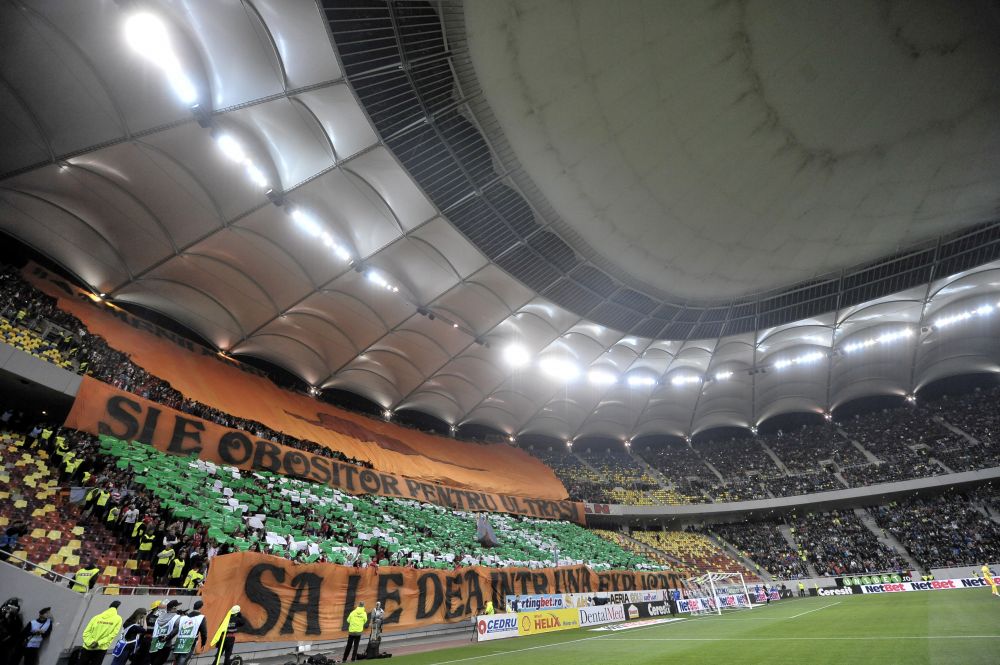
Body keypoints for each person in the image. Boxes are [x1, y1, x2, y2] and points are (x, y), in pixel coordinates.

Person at [80, 601, 123, 665]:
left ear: (109, 607)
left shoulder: (96, 617)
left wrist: (91, 642)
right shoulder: (118, 619)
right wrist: (99, 643)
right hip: (101, 649)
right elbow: (113, 634)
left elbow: (86, 632)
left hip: (87, 647)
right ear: (117, 609)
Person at [171, 601, 208, 665]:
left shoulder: (184, 617)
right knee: (183, 660)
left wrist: (167, 638)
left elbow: (176, 629)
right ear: (201, 607)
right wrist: (203, 643)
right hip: (190, 642)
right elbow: (204, 632)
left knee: (177, 659)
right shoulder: (201, 618)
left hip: (180, 641)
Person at [148, 600, 182, 665]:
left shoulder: (160, 616)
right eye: (176, 607)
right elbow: (175, 630)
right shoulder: (177, 617)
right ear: (174, 608)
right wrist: (166, 638)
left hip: (154, 644)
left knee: (152, 662)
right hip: (166, 644)